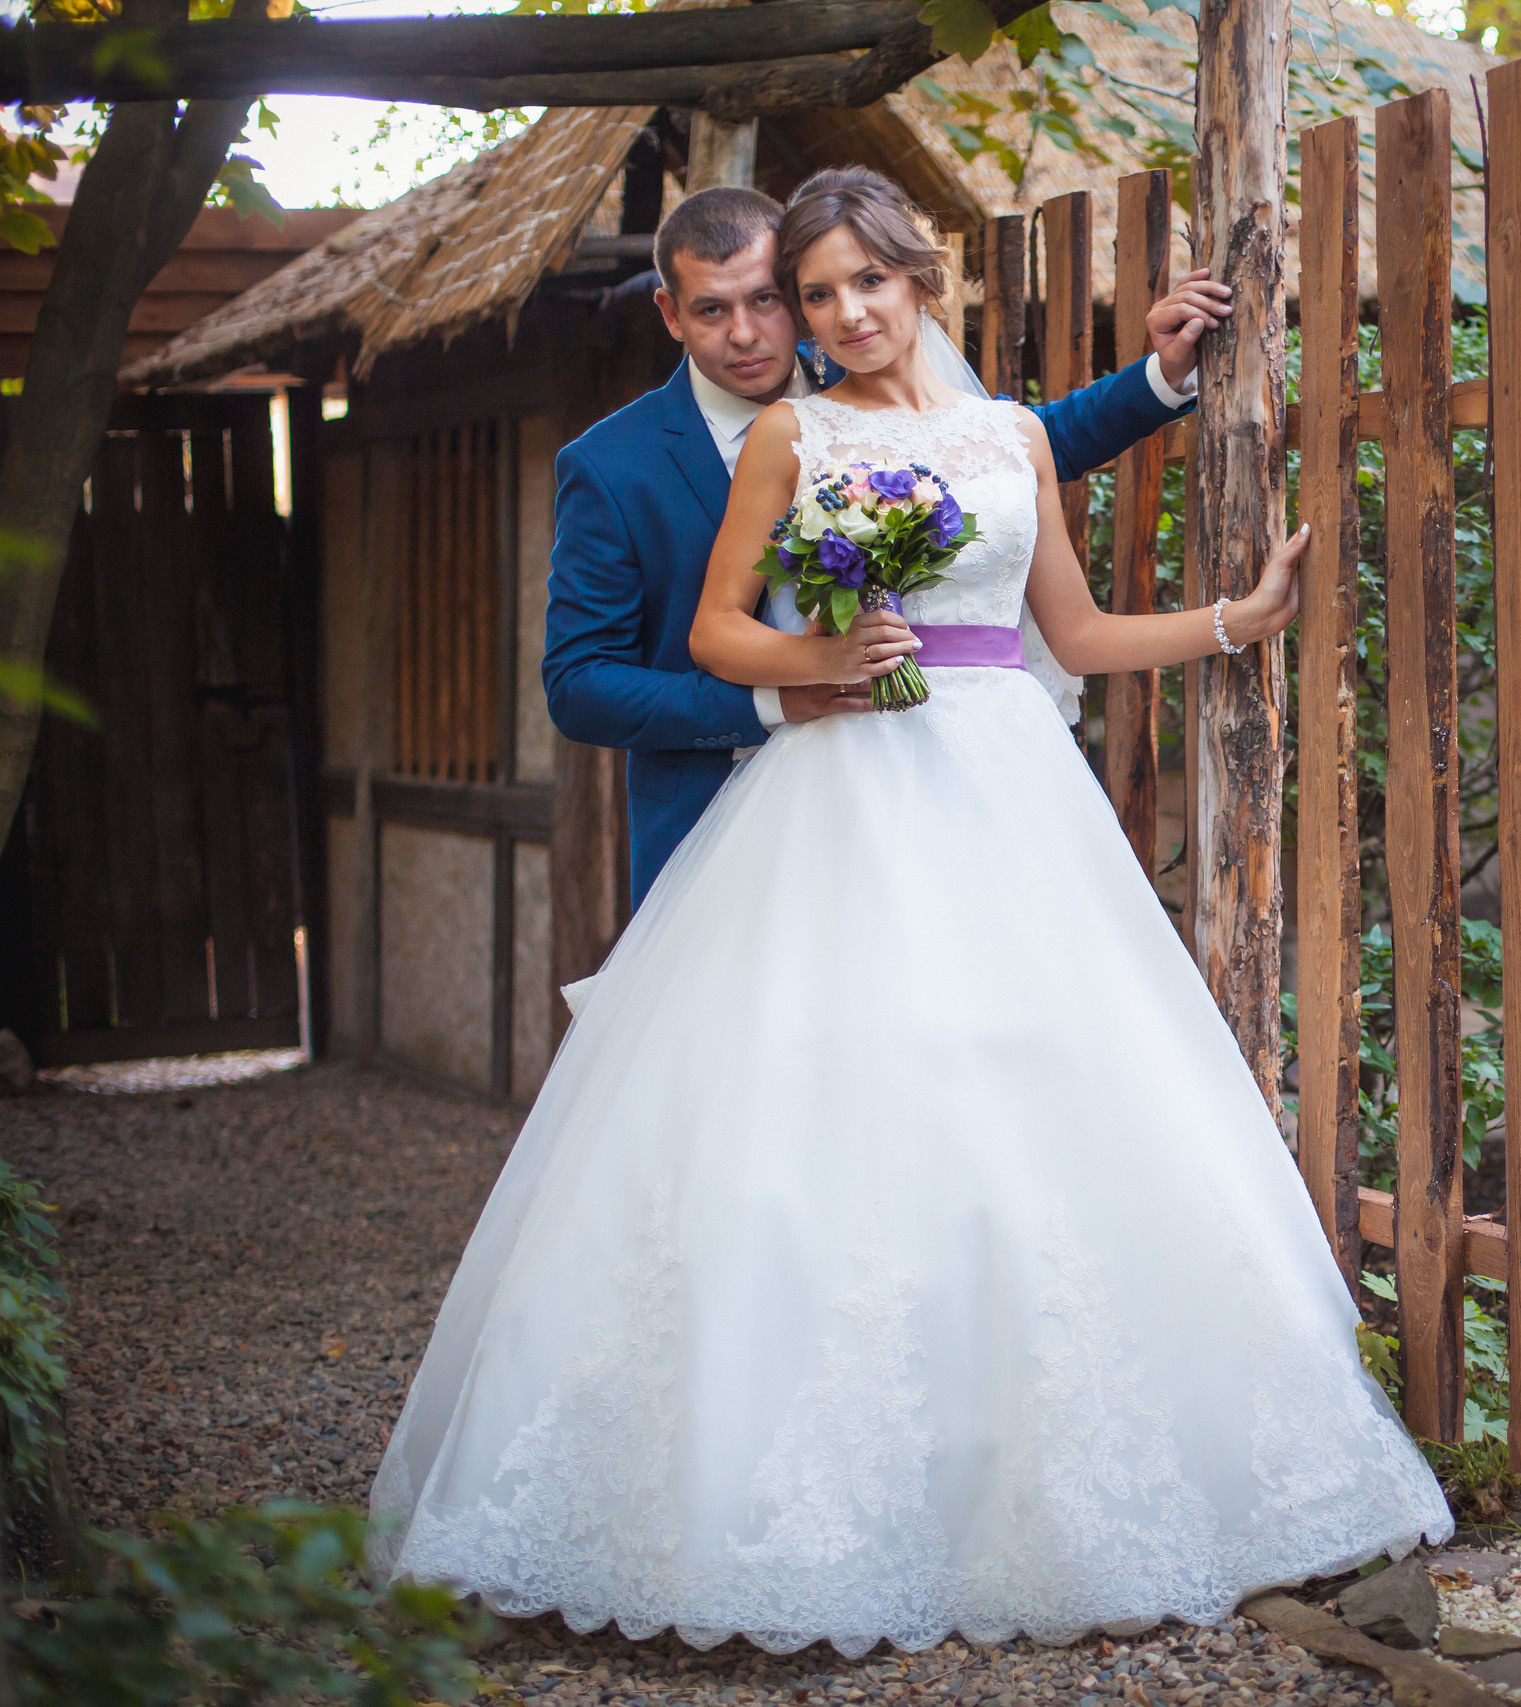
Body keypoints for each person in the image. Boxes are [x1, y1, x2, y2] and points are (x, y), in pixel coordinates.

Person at [366, 165, 1455, 1657]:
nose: (814, 319)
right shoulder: (761, 443)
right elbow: (694, 639)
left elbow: (1066, 614)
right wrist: (812, 669)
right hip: (824, 799)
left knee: (1035, 1100)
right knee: (809, 1130)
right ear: (677, 316)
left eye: (837, 288)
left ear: (916, 279)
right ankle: (773, 1493)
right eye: (796, 297)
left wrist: (1232, 614)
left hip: (1009, 797)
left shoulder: (998, 429)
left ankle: (1032, 1477)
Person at [542, 183, 1234, 908]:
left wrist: (1163, 373)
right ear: (671, 313)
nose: (744, 333)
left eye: (765, 300)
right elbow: (580, 685)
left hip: (921, 789)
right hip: (715, 821)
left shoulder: (871, 380)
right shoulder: (611, 466)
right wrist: (778, 698)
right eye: (712, 310)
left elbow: (1019, 448)